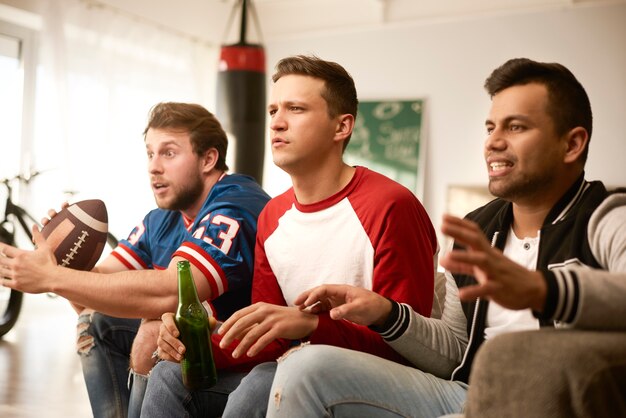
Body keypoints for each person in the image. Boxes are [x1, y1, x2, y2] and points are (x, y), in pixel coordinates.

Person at [254, 57, 626, 418]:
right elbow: (454, 353)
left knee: (509, 357)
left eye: (515, 127)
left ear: (572, 144)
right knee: (305, 367)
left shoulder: (608, 217)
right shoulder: (479, 228)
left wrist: (544, 290)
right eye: (490, 127)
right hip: (467, 395)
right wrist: (386, 313)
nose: (493, 142)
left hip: (559, 399)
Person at [141, 55, 439, 417]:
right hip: (290, 372)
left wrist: (313, 327)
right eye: (272, 111)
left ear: (341, 126)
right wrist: (194, 343)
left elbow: (411, 345)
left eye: (295, 109)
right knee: (169, 375)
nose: (277, 123)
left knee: (264, 380)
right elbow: (270, 338)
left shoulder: (391, 205)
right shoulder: (272, 216)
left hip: (379, 388)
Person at [0, 102, 271, 418]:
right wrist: (59, 264)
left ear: (208, 159)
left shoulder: (235, 204)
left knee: (151, 329)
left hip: (245, 366)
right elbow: (93, 301)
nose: (153, 167)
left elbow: (171, 291)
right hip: (194, 350)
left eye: (168, 153)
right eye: (150, 153)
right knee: (97, 324)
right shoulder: (160, 219)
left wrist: (52, 279)